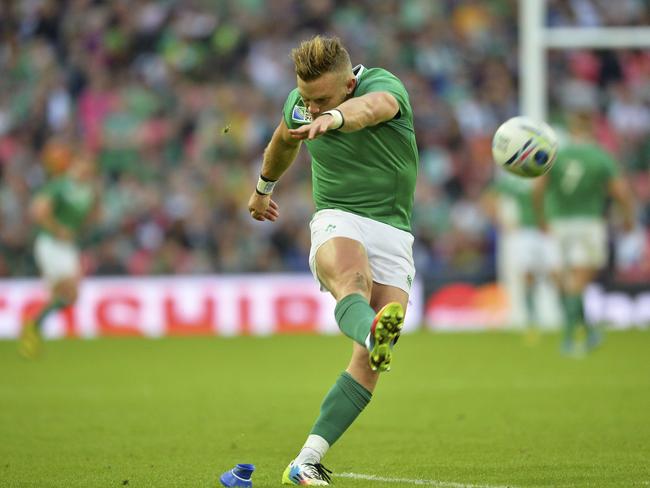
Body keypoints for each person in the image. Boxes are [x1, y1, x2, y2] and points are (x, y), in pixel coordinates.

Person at [247, 35, 418, 485]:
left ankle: (306, 460)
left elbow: (375, 108)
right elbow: (284, 141)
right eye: (306, 98)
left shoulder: (382, 85)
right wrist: (263, 188)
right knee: (352, 281)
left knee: (368, 363)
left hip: (393, 230)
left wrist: (336, 118)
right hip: (338, 216)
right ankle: (370, 329)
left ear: (347, 83)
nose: (311, 107)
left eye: (322, 98)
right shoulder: (300, 104)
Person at [532, 111, 635, 356]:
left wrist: (541, 219)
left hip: (558, 224)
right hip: (590, 223)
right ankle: (575, 336)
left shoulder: (557, 155)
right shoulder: (601, 156)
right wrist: (628, 219)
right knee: (577, 283)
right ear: (592, 130)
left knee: (563, 282)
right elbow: (620, 191)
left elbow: (537, 189)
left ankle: (580, 334)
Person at [19, 151, 100, 358]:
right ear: (74, 164)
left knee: (65, 297)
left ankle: (32, 330)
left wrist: (83, 224)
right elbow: (38, 211)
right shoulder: (60, 186)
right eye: (83, 163)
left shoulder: (88, 191)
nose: (86, 168)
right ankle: (32, 327)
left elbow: (90, 216)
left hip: (68, 246)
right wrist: (57, 229)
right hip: (51, 243)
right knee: (70, 291)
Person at [482, 169, 559, 341]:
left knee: (555, 273)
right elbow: (489, 198)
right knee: (528, 274)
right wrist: (500, 221)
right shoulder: (516, 180)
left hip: (547, 231)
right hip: (526, 232)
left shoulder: (549, 175)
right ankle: (532, 320)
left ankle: (564, 316)